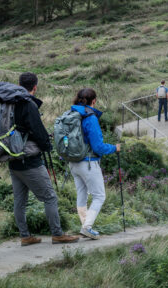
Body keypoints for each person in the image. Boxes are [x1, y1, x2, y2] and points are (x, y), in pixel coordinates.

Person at [5, 73, 79, 246]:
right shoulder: (28, 104)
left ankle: (25, 236)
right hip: (29, 160)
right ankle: (57, 234)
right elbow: (37, 131)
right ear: (35, 87)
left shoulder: (10, 103)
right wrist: (47, 145)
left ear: (19, 84)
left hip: (13, 158)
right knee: (50, 197)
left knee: (20, 201)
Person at [69, 87, 119, 239]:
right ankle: (87, 226)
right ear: (94, 101)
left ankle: (85, 226)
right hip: (88, 163)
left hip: (73, 162)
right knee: (99, 196)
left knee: (82, 194)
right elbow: (98, 147)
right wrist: (114, 148)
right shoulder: (90, 118)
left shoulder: (73, 114)